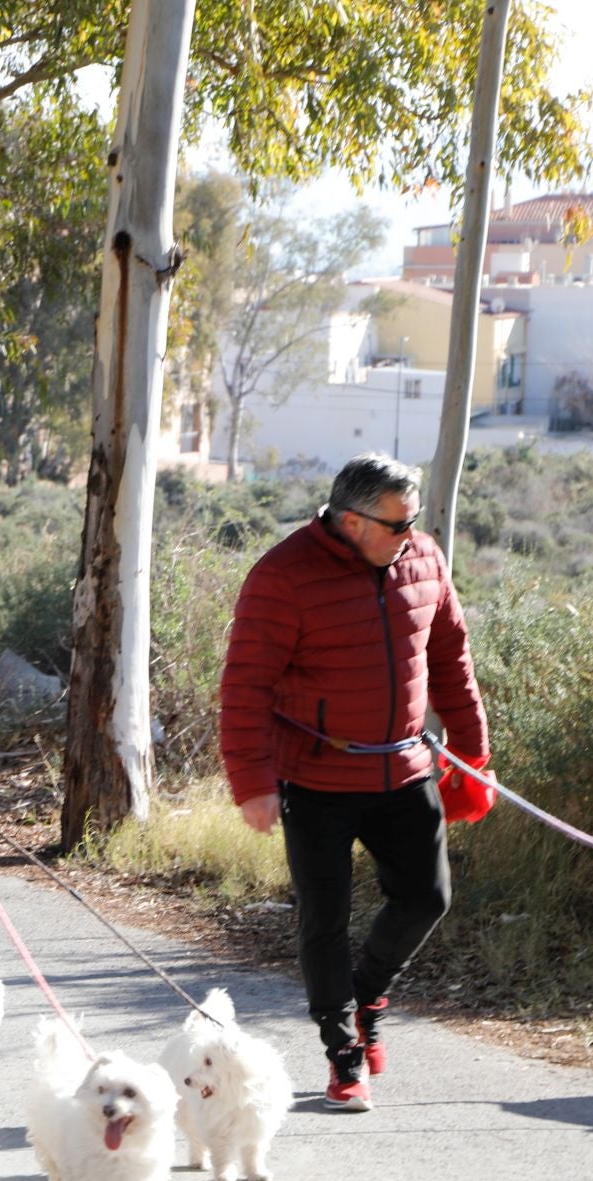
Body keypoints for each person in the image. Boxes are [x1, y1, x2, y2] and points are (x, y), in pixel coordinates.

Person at [219, 453, 495, 1113]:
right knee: (325, 921)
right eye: (398, 523)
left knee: (428, 896)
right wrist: (252, 781)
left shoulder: (423, 560)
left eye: (413, 521)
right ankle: (344, 1052)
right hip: (315, 778)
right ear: (350, 521)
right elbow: (246, 685)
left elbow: (451, 658)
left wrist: (473, 757)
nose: (410, 534)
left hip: (404, 769)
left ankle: (367, 997)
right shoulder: (282, 576)